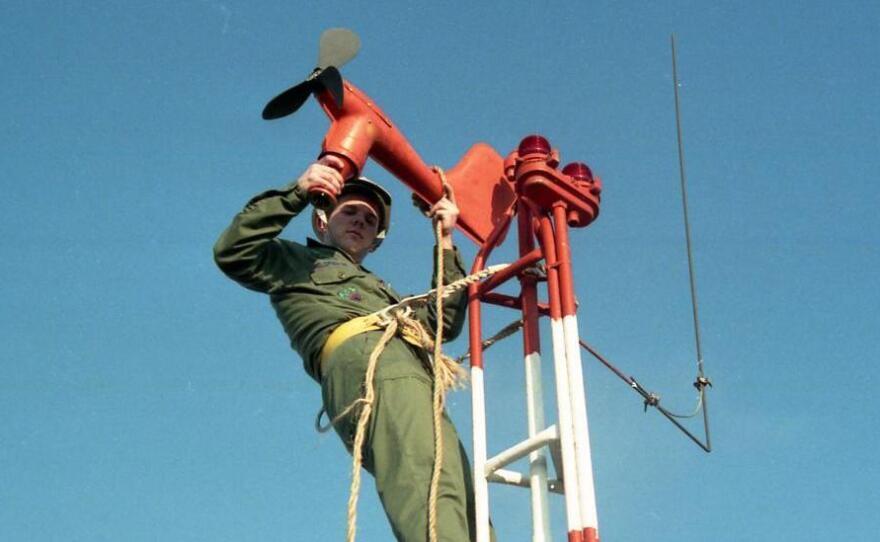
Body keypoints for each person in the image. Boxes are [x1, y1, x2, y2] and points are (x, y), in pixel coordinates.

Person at [213, 154, 483, 541]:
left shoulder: (384, 294)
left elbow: (442, 324)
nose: (360, 220)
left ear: (375, 243)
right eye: (350, 211)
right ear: (323, 219)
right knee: (422, 474)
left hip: (411, 372)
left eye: (370, 221)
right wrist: (300, 191)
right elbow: (233, 251)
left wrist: (444, 239)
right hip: (371, 367)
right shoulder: (295, 262)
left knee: (457, 483)